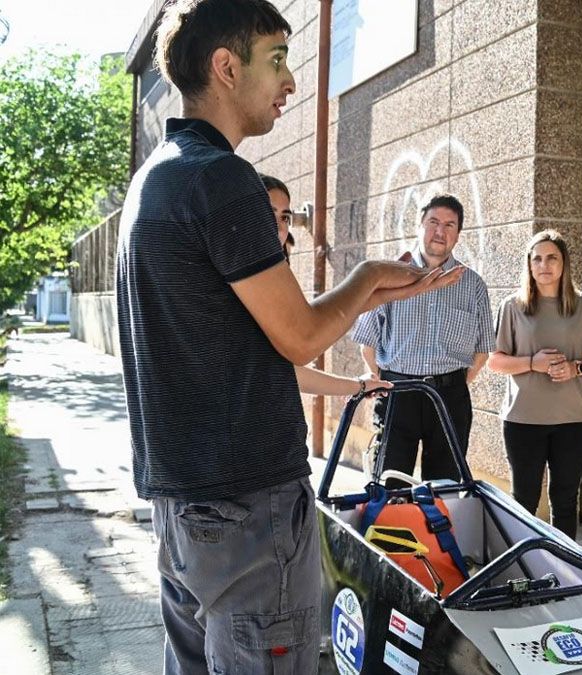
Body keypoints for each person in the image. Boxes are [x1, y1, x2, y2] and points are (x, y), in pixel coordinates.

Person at [115, 2, 463, 673]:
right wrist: (366, 276)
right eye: (276, 60)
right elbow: (301, 335)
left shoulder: (158, 179)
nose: (292, 82)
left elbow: (257, 340)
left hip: (186, 508)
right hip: (248, 515)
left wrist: (384, 287)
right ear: (225, 66)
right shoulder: (220, 178)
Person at [352, 194, 495, 483]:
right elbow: (367, 341)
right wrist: (388, 379)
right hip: (398, 393)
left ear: (457, 235)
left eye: (449, 225)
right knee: (390, 484)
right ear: (419, 225)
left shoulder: (473, 285)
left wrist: (452, 383)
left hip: (449, 397)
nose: (440, 231)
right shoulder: (389, 275)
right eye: (433, 222)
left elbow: (482, 350)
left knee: (445, 489)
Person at [487, 229, 582, 539]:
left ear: (563, 263)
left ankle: (564, 566)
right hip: (524, 420)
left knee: (566, 500)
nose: (544, 265)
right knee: (525, 501)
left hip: (573, 419)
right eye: (537, 259)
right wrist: (532, 363)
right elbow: (495, 361)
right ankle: (524, 567)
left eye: (552, 258)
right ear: (529, 265)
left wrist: (575, 368)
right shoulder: (512, 307)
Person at [261, 173, 392, 398]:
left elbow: (288, 371)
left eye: (284, 218)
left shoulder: (272, 282)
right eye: (268, 214)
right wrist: (371, 276)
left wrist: (358, 387)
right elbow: (302, 348)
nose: (279, 228)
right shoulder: (229, 289)